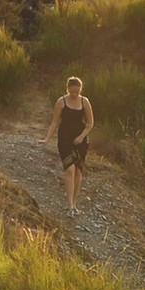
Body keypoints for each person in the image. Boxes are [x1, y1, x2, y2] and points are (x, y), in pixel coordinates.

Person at [40, 76, 94, 217]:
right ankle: (69, 205)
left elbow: (90, 124)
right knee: (69, 169)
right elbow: (54, 122)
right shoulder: (61, 102)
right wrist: (47, 139)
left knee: (78, 172)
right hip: (64, 139)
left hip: (80, 141)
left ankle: (74, 203)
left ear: (80, 90)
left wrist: (82, 136)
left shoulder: (85, 101)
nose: (74, 95)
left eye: (77, 92)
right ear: (68, 89)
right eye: (72, 92)